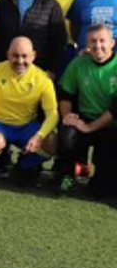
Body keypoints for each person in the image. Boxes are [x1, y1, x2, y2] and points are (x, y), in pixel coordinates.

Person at [0, 36, 58, 184]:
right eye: (15, 55)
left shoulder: (43, 79)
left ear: (33, 56)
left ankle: (24, 165)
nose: (20, 61)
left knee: (52, 141)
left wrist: (39, 136)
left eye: (25, 56)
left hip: (26, 126)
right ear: (8, 54)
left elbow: (52, 113)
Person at [55, 24, 117, 196]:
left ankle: (100, 177)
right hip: (83, 117)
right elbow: (65, 95)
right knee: (66, 135)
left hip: (110, 124)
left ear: (112, 43)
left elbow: (115, 110)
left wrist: (90, 127)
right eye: (93, 41)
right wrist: (67, 115)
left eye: (102, 41)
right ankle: (68, 174)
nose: (98, 46)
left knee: (102, 190)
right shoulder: (78, 63)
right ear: (86, 43)